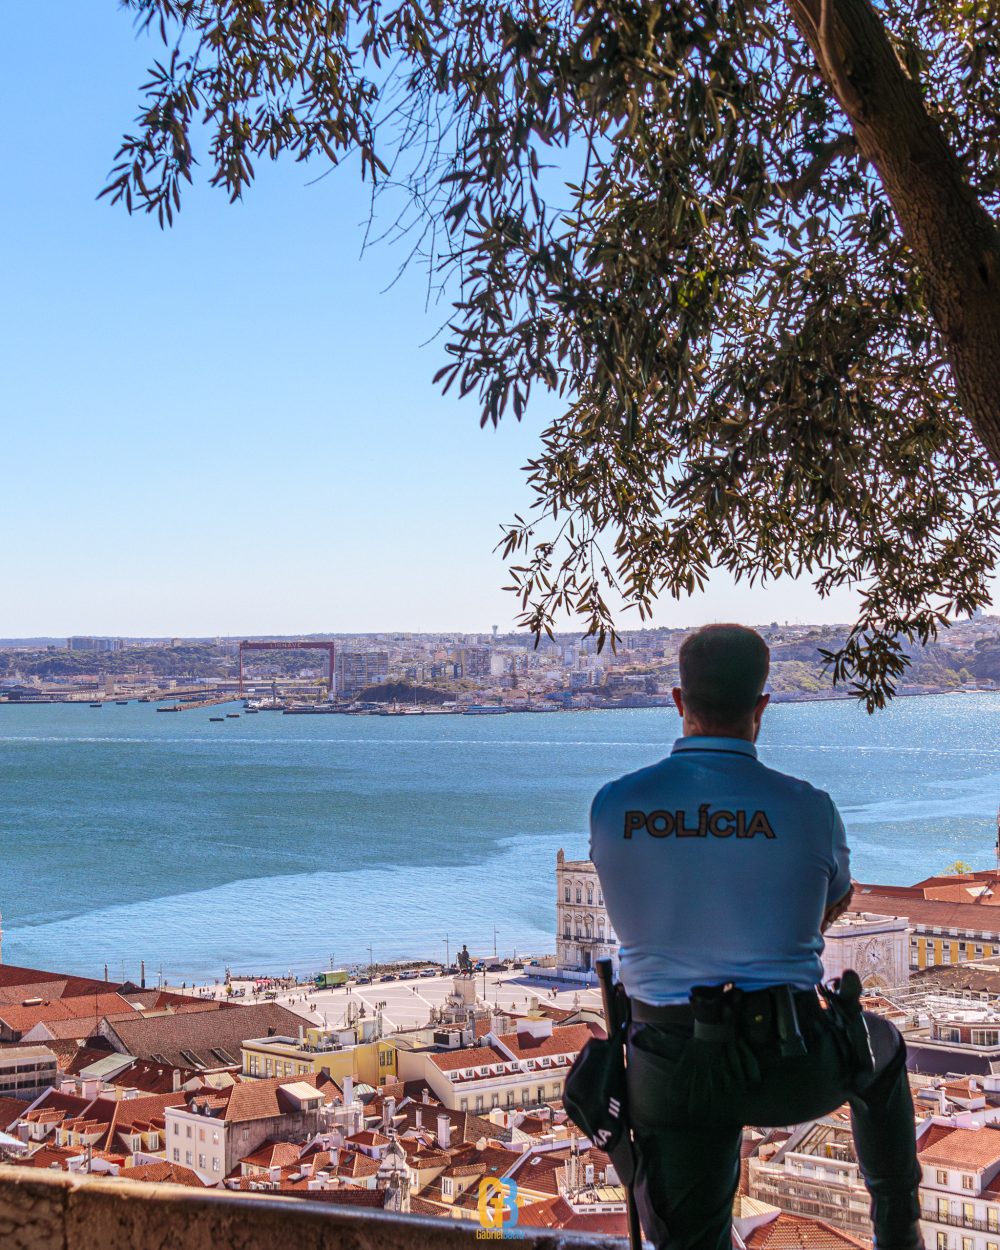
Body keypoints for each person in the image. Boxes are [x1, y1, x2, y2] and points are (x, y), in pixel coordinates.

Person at [589, 624, 921, 1250]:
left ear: (678, 701)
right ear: (763, 707)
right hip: (789, 1063)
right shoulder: (808, 807)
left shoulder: (614, 805)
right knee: (884, 1047)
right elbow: (833, 898)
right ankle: (899, 1235)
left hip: (669, 1066)